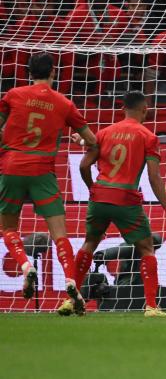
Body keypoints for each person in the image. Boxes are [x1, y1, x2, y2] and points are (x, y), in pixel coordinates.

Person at [57, 91, 166, 317]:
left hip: (100, 196)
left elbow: (84, 166)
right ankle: (151, 307)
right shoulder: (148, 137)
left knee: (89, 243)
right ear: (145, 110)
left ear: (122, 109)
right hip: (126, 198)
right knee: (146, 247)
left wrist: (93, 189)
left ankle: (70, 299)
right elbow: (154, 178)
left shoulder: (104, 133)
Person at [0, 52, 97, 314]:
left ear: (28, 72)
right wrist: (79, 139)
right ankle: (70, 280)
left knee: (8, 227)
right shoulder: (63, 103)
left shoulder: (13, 95)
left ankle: (24, 265)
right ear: (54, 72)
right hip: (43, 170)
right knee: (59, 233)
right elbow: (92, 140)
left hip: (11, 166)